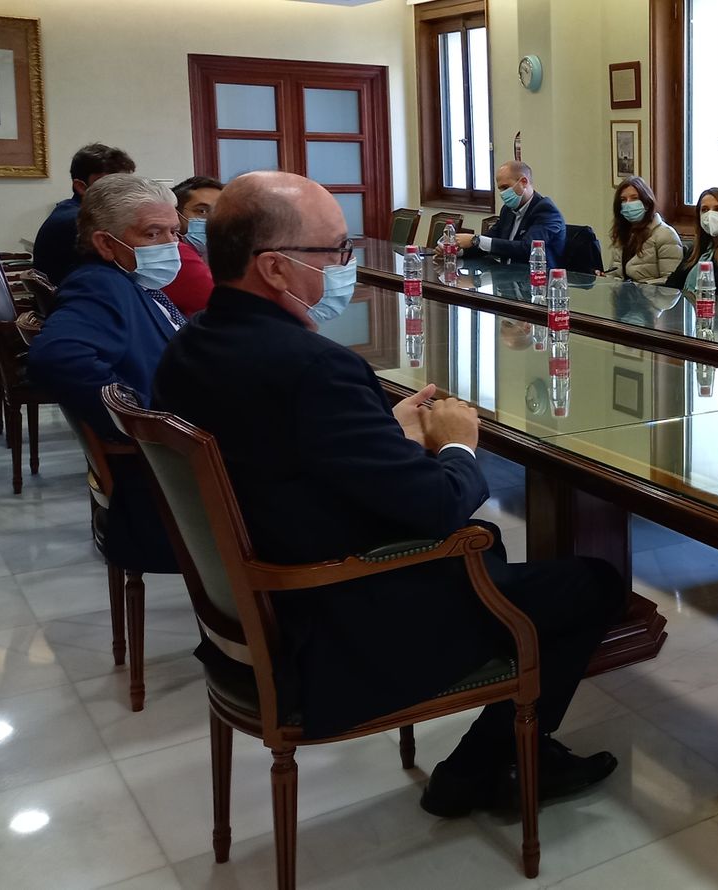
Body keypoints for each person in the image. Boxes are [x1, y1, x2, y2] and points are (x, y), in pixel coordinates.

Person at [153, 171, 625, 816]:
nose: (346, 267)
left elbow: (290, 453)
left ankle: (503, 758)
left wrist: (385, 433)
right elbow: (437, 504)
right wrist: (458, 442)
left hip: (262, 604)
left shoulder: (192, 344)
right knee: (591, 584)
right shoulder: (314, 366)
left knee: (537, 576)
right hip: (344, 619)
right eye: (335, 252)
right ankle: (487, 766)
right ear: (274, 269)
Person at [27, 173, 185, 573]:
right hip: (166, 485)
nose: (171, 245)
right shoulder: (99, 285)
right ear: (104, 242)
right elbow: (55, 356)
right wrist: (142, 417)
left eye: (174, 232)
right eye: (153, 233)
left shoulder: (133, 280)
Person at [32, 143, 136, 284]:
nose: (125, 192)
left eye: (126, 184)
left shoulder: (69, 209)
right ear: (81, 187)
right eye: (111, 185)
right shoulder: (80, 222)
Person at [456, 161, 566, 266]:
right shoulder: (507, 210)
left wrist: (476, 240)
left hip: (537, 279)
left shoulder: (546, 210)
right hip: (506, 277)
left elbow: (528, 248)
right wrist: (458, 251)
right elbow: (489, 242)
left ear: (523, 182)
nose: (503, 194)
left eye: (505, 187)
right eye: (500, 189)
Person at [162, 175, 224, 315]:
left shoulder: (210, 254)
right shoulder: (177, 253)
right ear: (176, 214)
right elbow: (229, 306)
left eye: (220, 212)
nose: (213, 220)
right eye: (202, 211)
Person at [606, 176, 682, 284]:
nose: (628, 204)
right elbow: (615, 274)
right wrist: (604, 278)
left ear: (646, 202)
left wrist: (640, 287)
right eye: (623, 200)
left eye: (634, 198)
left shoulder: (665, 234)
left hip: (652, 299)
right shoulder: (623, 234)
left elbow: (672, 282)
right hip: (623, 298)